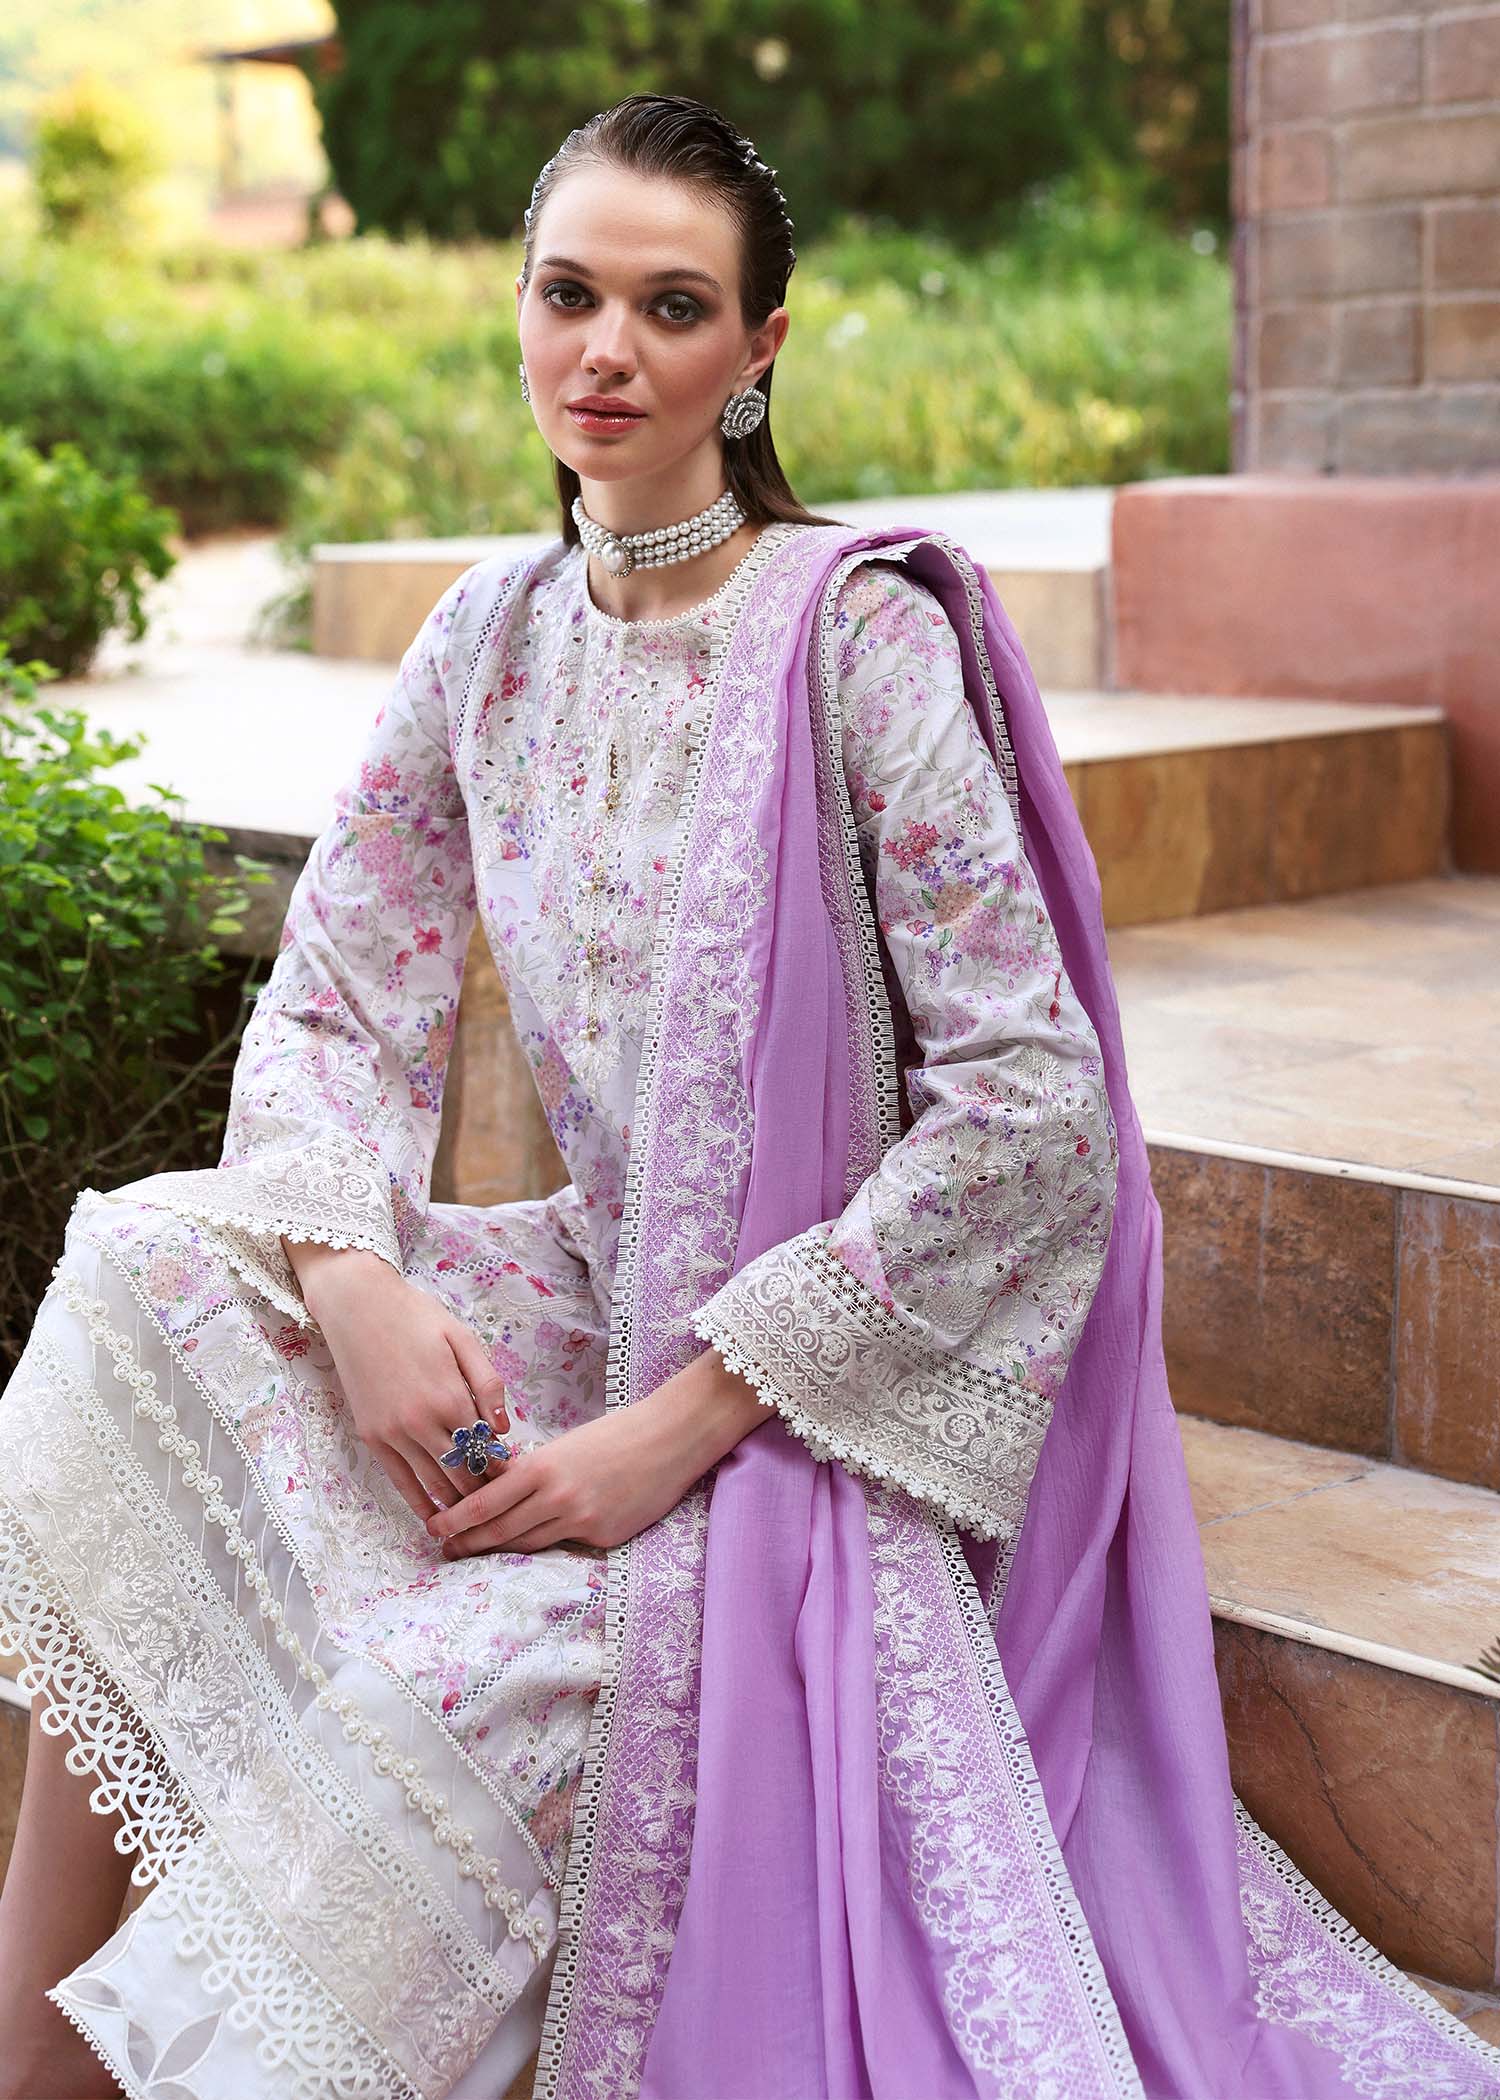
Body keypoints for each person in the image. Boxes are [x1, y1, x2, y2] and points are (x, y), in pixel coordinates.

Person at [0, 90, 1495, 2100]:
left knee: (444, 1688)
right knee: (138, 1273)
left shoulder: (855, 639)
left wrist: (673, 1429)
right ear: (519, 311)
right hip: (576, 1304)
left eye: (672, 306)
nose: (606, 351)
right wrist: (353, 1285)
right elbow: (338, 993)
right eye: (568, 295)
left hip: (798, 1404)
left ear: (760, 346)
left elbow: (1033, 1113)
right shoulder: (489, 638)